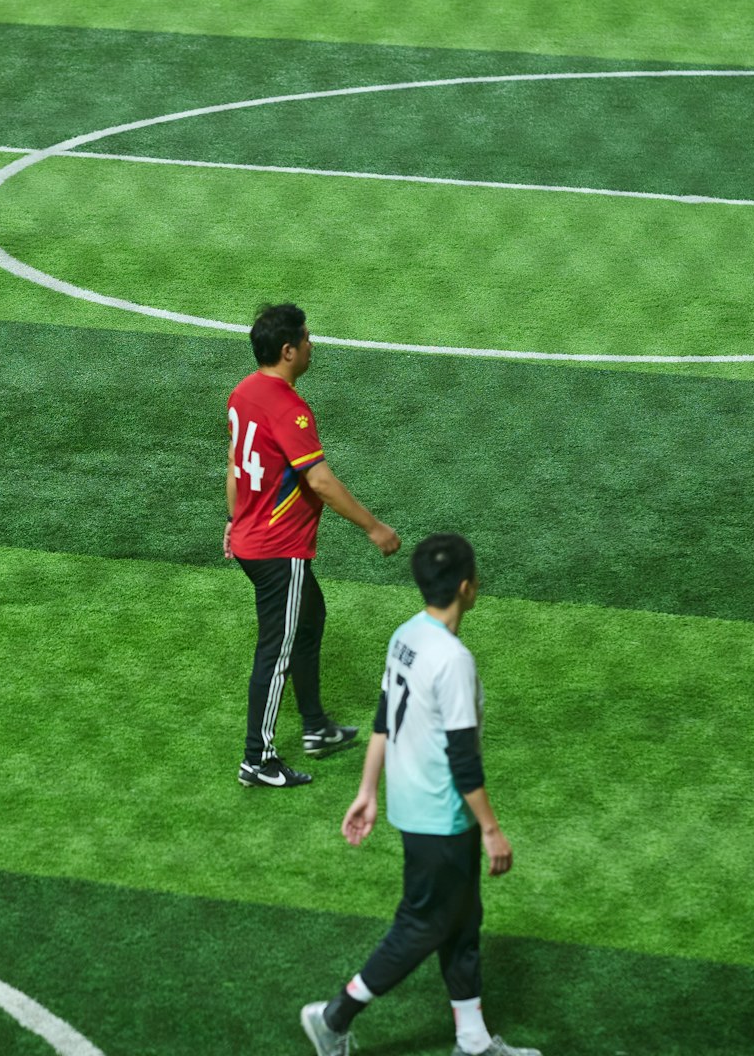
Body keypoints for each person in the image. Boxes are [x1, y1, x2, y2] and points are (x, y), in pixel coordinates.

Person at [301, 534, 540, 1056]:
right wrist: (493, 830)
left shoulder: (406, 635)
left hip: (414, 805)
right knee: (423, 925)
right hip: (442, 816)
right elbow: (463, 758)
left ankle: (472, 1041)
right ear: (467, 587)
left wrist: (367, 790)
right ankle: (334, 1016)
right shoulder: (453, 659)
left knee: (462, 918)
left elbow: (384, 718)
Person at [226, 303, 400, 788]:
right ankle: (256, 760)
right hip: (277, 549)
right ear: (288, 351)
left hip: (250, 536)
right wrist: (373, 526)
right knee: (275, 652)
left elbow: (235, 464)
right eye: (306, 338)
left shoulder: (243, 393)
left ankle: (317, 726)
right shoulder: (288, 406)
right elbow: (320, 481)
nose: (311, 344)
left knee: (310, 617)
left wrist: (232, 519)